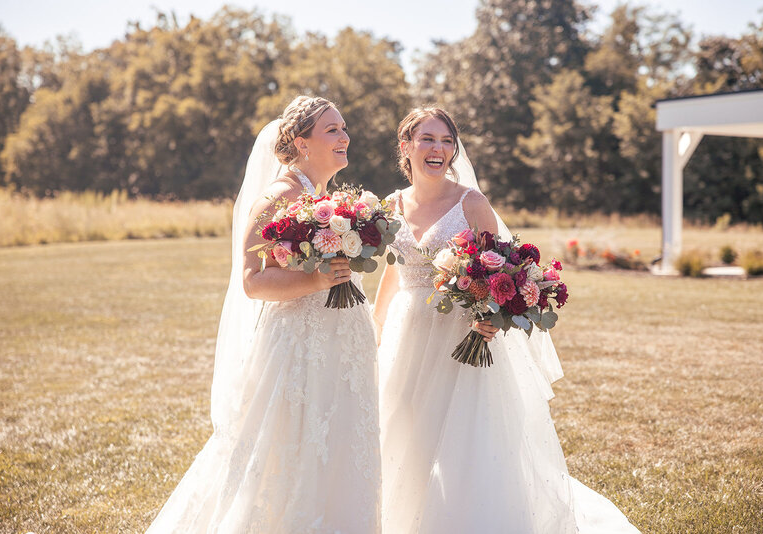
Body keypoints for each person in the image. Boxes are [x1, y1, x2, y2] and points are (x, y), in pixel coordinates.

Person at [373, 107, 640, 533]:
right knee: (404, 428)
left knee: (463, 436)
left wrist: (492, 317)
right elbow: (392, 270)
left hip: (461, 332)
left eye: (446, 141)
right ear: (406, 147)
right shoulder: (390, 204)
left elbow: (500, 270)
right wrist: (376, 325)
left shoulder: (471, 203)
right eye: (427, 139)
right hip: (407, 333)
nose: (438, 149)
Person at [146, 96, 381, 533]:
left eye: (344, 128)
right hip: (299, 349)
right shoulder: (279, 197)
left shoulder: (335, 203)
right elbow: (252, 281)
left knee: (345, 448)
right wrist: (318, 280)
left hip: (344, 344)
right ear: (301, 141)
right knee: (291, 454)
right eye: (333, 130)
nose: (345, 136)